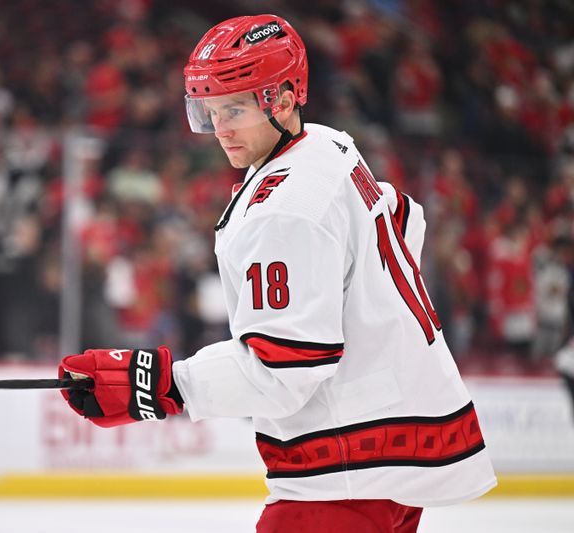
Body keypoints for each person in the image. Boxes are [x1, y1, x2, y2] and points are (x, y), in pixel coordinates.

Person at [58, 15, 496, 532]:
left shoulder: (284, 209)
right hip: (386, 463)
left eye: (235, 108)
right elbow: (404, 219)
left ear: (284, 101)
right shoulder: (329, 146)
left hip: (343, 474)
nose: (219, 128)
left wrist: (162, 384)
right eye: (210, 110)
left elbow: (287, 366)